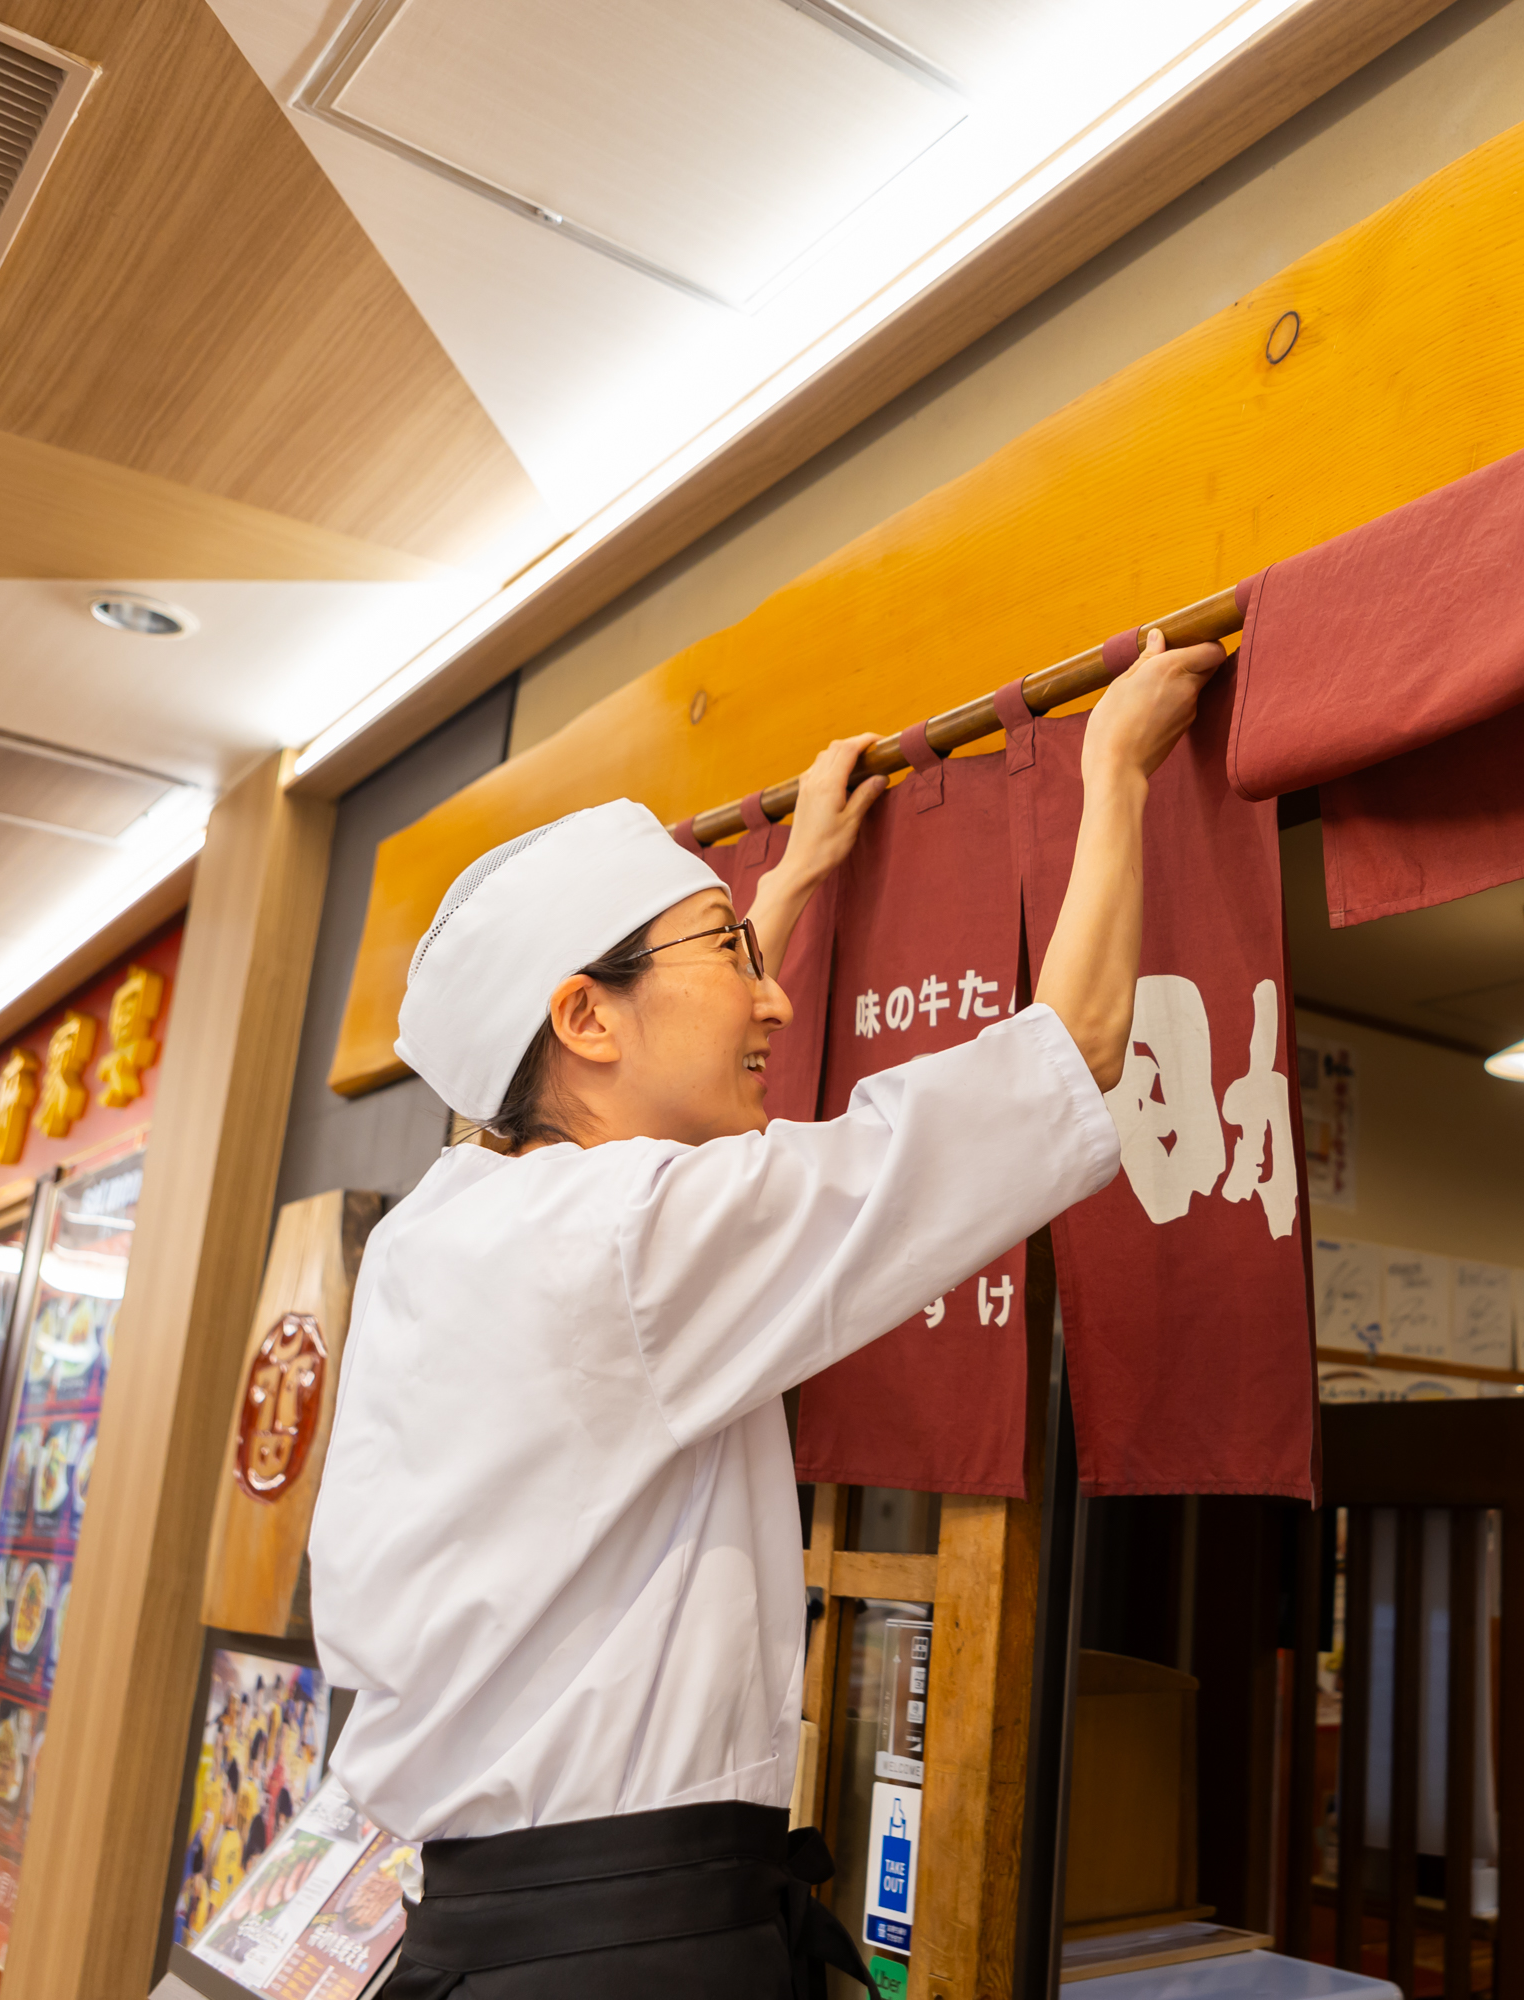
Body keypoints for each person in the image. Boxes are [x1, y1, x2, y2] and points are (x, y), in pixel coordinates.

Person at [312, 633, 1226, 1997]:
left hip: (483, 1928)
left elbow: (654, 1142)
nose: (775, 996)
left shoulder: (451, 1226)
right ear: (585, 1015)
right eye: (726, 954)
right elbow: (1073, 1060)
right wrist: (1114, 767)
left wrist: (784, 884)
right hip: (631, 1955)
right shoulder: (631, 1244)